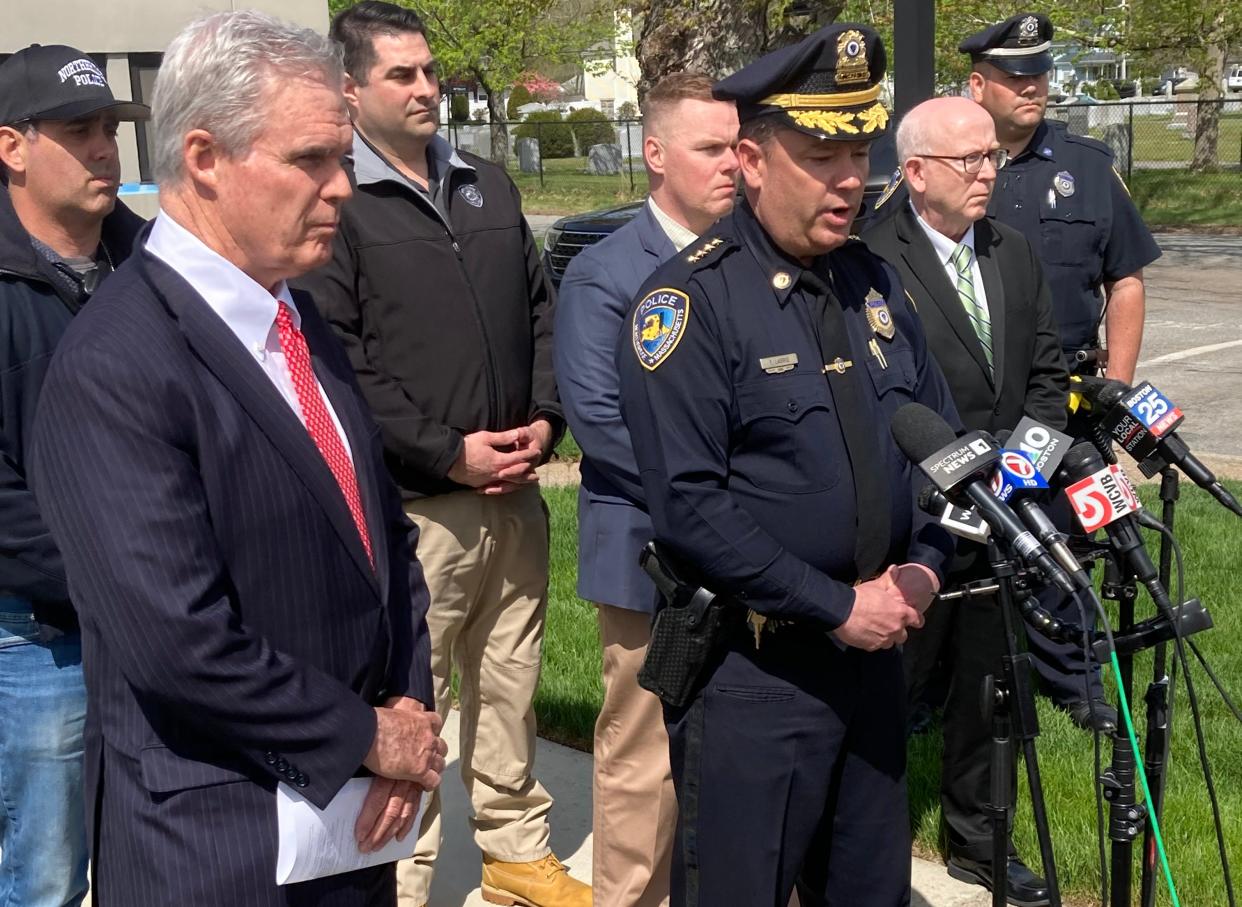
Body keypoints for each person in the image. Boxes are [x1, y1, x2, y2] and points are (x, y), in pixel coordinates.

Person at [28, 12, 447, 905]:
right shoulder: (116, 363)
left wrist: (407, 720)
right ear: (205, 157)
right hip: (219, 849)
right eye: (311, 161)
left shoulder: (297, 317)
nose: (343, 188)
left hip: (355, 832)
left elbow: (385, 537)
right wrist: (365, 735)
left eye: (344, 157)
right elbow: (177, 640)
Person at [616, 25, 961, 906]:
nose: (851, 177)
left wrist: (924, 566)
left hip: (877, 665)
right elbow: (690, 506)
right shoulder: (688, 304)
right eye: (821, 155)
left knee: (869, 891)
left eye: (859, 151)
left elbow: (944, 451)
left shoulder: (875, 286)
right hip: (757, 679)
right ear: (752, 159)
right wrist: (836, 606)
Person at [296, 4, 584, 905]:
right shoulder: (336, 201)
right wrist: (447, 453)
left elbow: (544, 311)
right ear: (350, 90)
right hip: (416, 507)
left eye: (429, 71)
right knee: (413, 705)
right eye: (402, 75)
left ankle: (514, 851)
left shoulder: (487, 185)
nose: (427, 88)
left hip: (514, 495)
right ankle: (402, 874)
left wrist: (545, 417)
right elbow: (338, 359)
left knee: (510, 684)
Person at [863, 96, 1067, 907]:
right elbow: (878, 406)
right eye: (970, 160)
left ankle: (979, 839)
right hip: (915, 523)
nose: (989, 171)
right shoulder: (869, 260)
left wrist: (1017, 477)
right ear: (916, 173)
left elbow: (1047, 380)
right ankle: (865, 838)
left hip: (1007, 515)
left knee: (992, 689)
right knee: (890, 690)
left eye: (993, 158)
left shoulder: (1013, 252)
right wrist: (948, 492)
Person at [554, 72, 738, 907]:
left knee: (741, 746)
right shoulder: (608, 273)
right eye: (711, 148)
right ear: (656, 154)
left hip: (752, 550)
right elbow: (602, 426)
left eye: (739, 146)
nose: (733, 164)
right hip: (650, 555)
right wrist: (729, 504)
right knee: (644, 752)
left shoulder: (751, 256)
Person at [962, 11, 1162, 727]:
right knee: (963, 541)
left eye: (1040, 74)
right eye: (1017, 77)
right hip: (980, 399)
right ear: (977, 85)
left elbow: (1127, 278)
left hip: (1071, 400)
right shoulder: (955, 167)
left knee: (1077, 538)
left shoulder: (1086, 166)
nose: (1033, 86)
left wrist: (1119, 385)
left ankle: (1079, 686)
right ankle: (942, 688)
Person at [0, 43, 146, 907]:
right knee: (47, 874)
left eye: (108, 129)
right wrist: (107, 576)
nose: (103, 149)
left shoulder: (154, 269)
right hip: (37, 636)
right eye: (76, 131)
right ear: (11, 146)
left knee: (150, 854)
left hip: (157, 622)